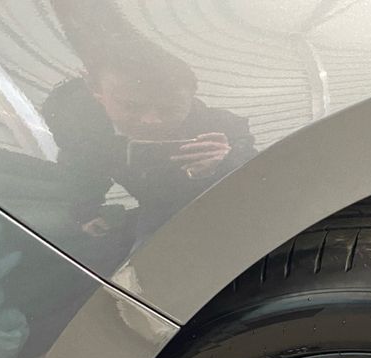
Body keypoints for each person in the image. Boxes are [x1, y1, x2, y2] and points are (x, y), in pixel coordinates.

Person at [42, 26, 257, 261]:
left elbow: (260, 179)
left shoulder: (223, 128)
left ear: (190, 98)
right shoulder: (82, 128)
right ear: (97, 92)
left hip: (228, 210)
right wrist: (86, 212)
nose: (151, 120)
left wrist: (226, 164)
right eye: (131, 106)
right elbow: (81, 167)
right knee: (145, 269)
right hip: (157, 213)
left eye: (169, 109)